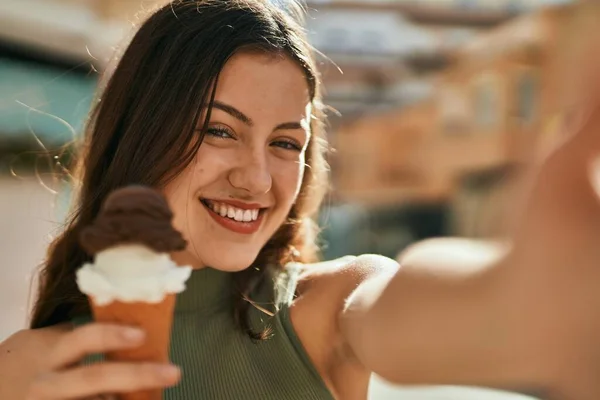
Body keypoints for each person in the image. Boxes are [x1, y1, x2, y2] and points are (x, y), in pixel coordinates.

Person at [1, 0, 599, 399]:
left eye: (286, 142)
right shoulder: (32, 368)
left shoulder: (322, 312)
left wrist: (523, 303)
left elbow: (399, 308)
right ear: (143, 131)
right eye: (220, 130)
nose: (258, 180)